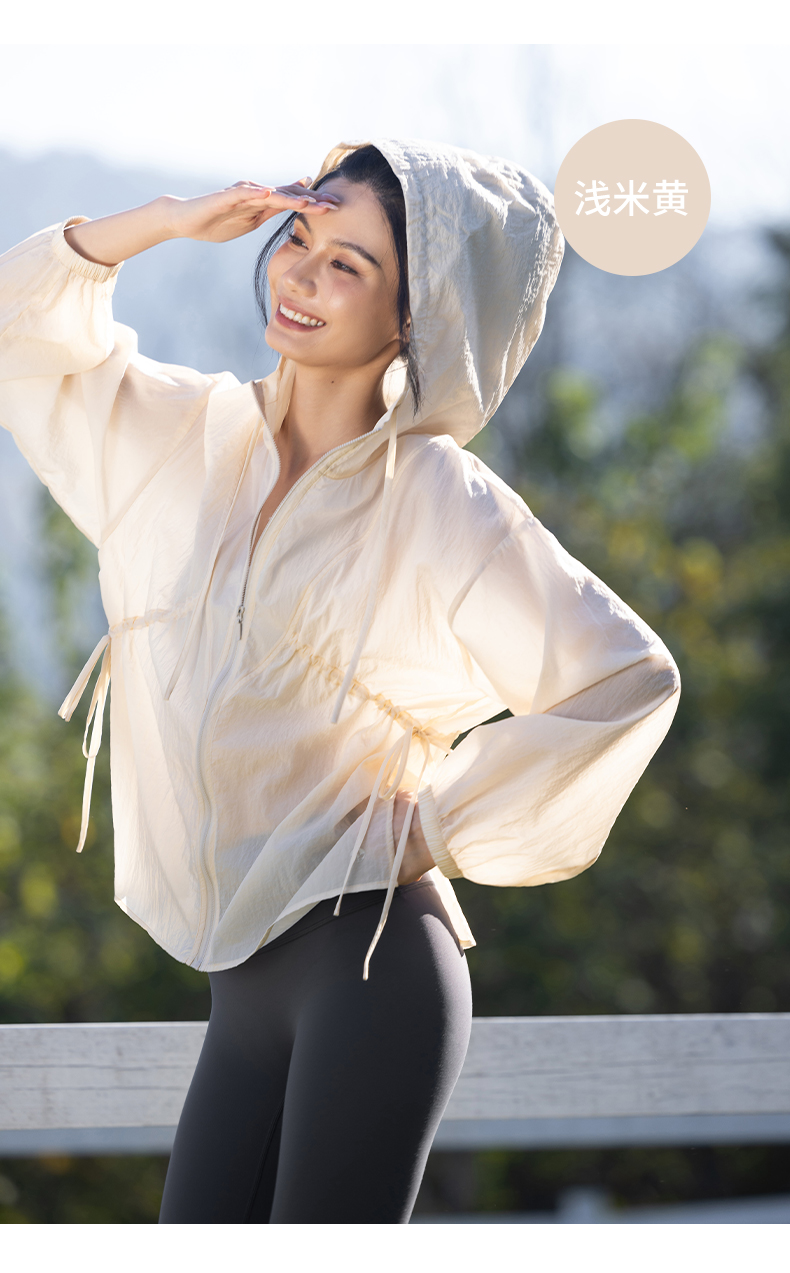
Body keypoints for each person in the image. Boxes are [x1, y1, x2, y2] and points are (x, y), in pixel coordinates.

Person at [0, 138, 680, 1223]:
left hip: (371, 962)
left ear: (416, 315)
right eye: (299, 236)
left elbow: (626, 679)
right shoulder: (188, 437)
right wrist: (165, 220)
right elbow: (21, 333)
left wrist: (433, 825)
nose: (301, 274)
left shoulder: (439, 499)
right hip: (242, 987)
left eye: (348, 264)